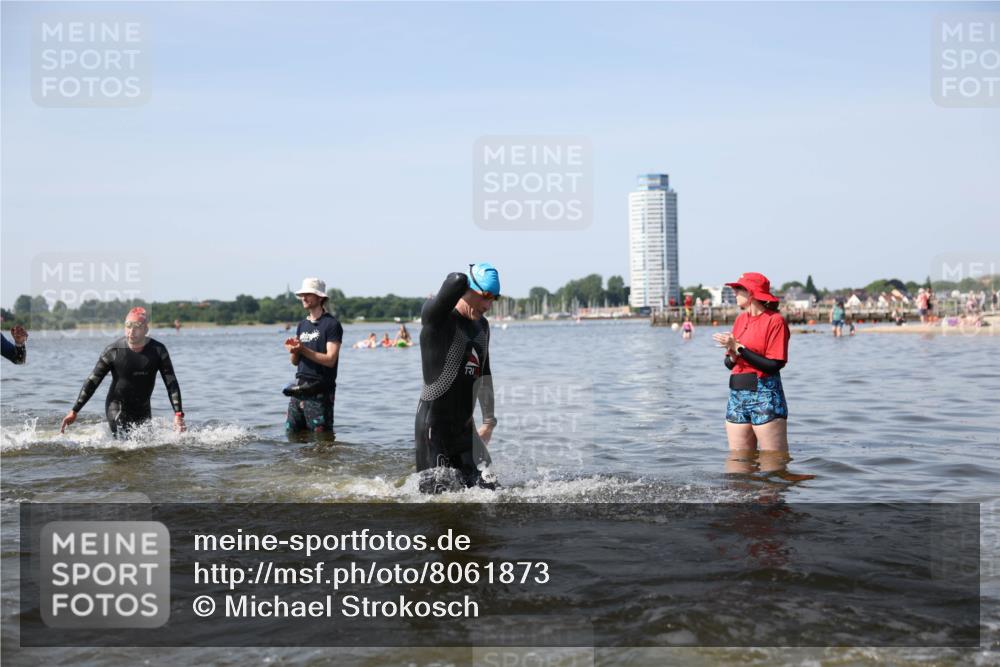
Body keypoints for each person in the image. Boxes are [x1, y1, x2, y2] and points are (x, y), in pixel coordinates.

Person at [415, 263, 499, 493]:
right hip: (434, 431)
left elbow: (485, 374)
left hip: (465, 430)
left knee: (494, 493)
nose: (488, 305)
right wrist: (466, 279)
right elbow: (455, 279)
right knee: (439, 505)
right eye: (485, 296)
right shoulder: (438, 319)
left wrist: (489, 422)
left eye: (494, 299)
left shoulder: (482, 326)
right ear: (467, 289)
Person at [60, 308, 185, 437]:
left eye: (137, 327)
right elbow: (93, 381)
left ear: (146, 329)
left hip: (143, 409)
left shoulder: (158, 351)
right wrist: (74, 411)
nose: (131, 331)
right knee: (124, 441)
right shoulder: (113, 351)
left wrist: (178, 414)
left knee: (147, 448)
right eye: (128, 326)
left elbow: (171, 383)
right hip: (117, 407)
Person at [712, 272, 790, 453]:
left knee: (774, 462)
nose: (734, 292)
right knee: (738, 463)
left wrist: (739, 348)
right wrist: (732, 353)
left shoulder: (775, 321)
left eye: (739, 289)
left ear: (752, 292)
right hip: (737, 395)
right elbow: (730, 364)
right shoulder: (740, 320)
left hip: (765, 395)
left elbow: (774, 365)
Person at [283, 278, 343, 435]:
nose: (304, 298)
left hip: (320, 392)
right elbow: (295, 363)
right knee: (292, 436)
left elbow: (330, 360)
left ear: (320, 297)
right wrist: (294, 350)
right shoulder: (302, 325)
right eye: (302, 294)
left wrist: (302, 349)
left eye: (308, 294)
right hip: (299, 389)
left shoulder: (331, 324)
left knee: (322, 442)